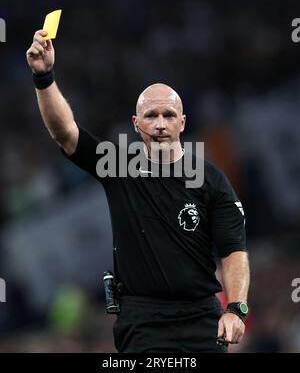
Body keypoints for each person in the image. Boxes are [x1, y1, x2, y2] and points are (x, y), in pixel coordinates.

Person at [26, 29, 250, 353]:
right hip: (143, 323)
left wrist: (236, 308)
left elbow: (234, 250)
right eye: (151, 115)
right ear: (136, 123)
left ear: (182, 123)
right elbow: (65, 133)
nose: (160, 123)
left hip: (202, 317)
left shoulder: (211, 180)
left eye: (168, 115)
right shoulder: (117, 166)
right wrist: (44, 77)